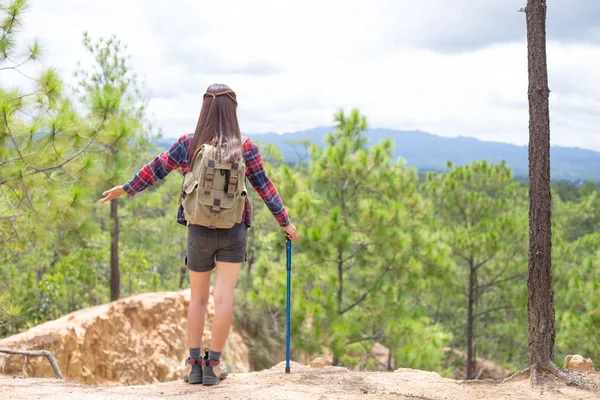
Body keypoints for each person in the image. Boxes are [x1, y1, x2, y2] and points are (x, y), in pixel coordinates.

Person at [98, 83, 299, 386]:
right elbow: (264, 187)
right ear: (232, 111)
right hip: (233, 231)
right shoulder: (246, 148)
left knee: (198, 298)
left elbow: (156, 168)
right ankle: (213, 367)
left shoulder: (189, 144)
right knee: (224, 298)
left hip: (198, 231)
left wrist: (126, 189)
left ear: (204, 108)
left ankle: (193, 365)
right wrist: (285, 222)